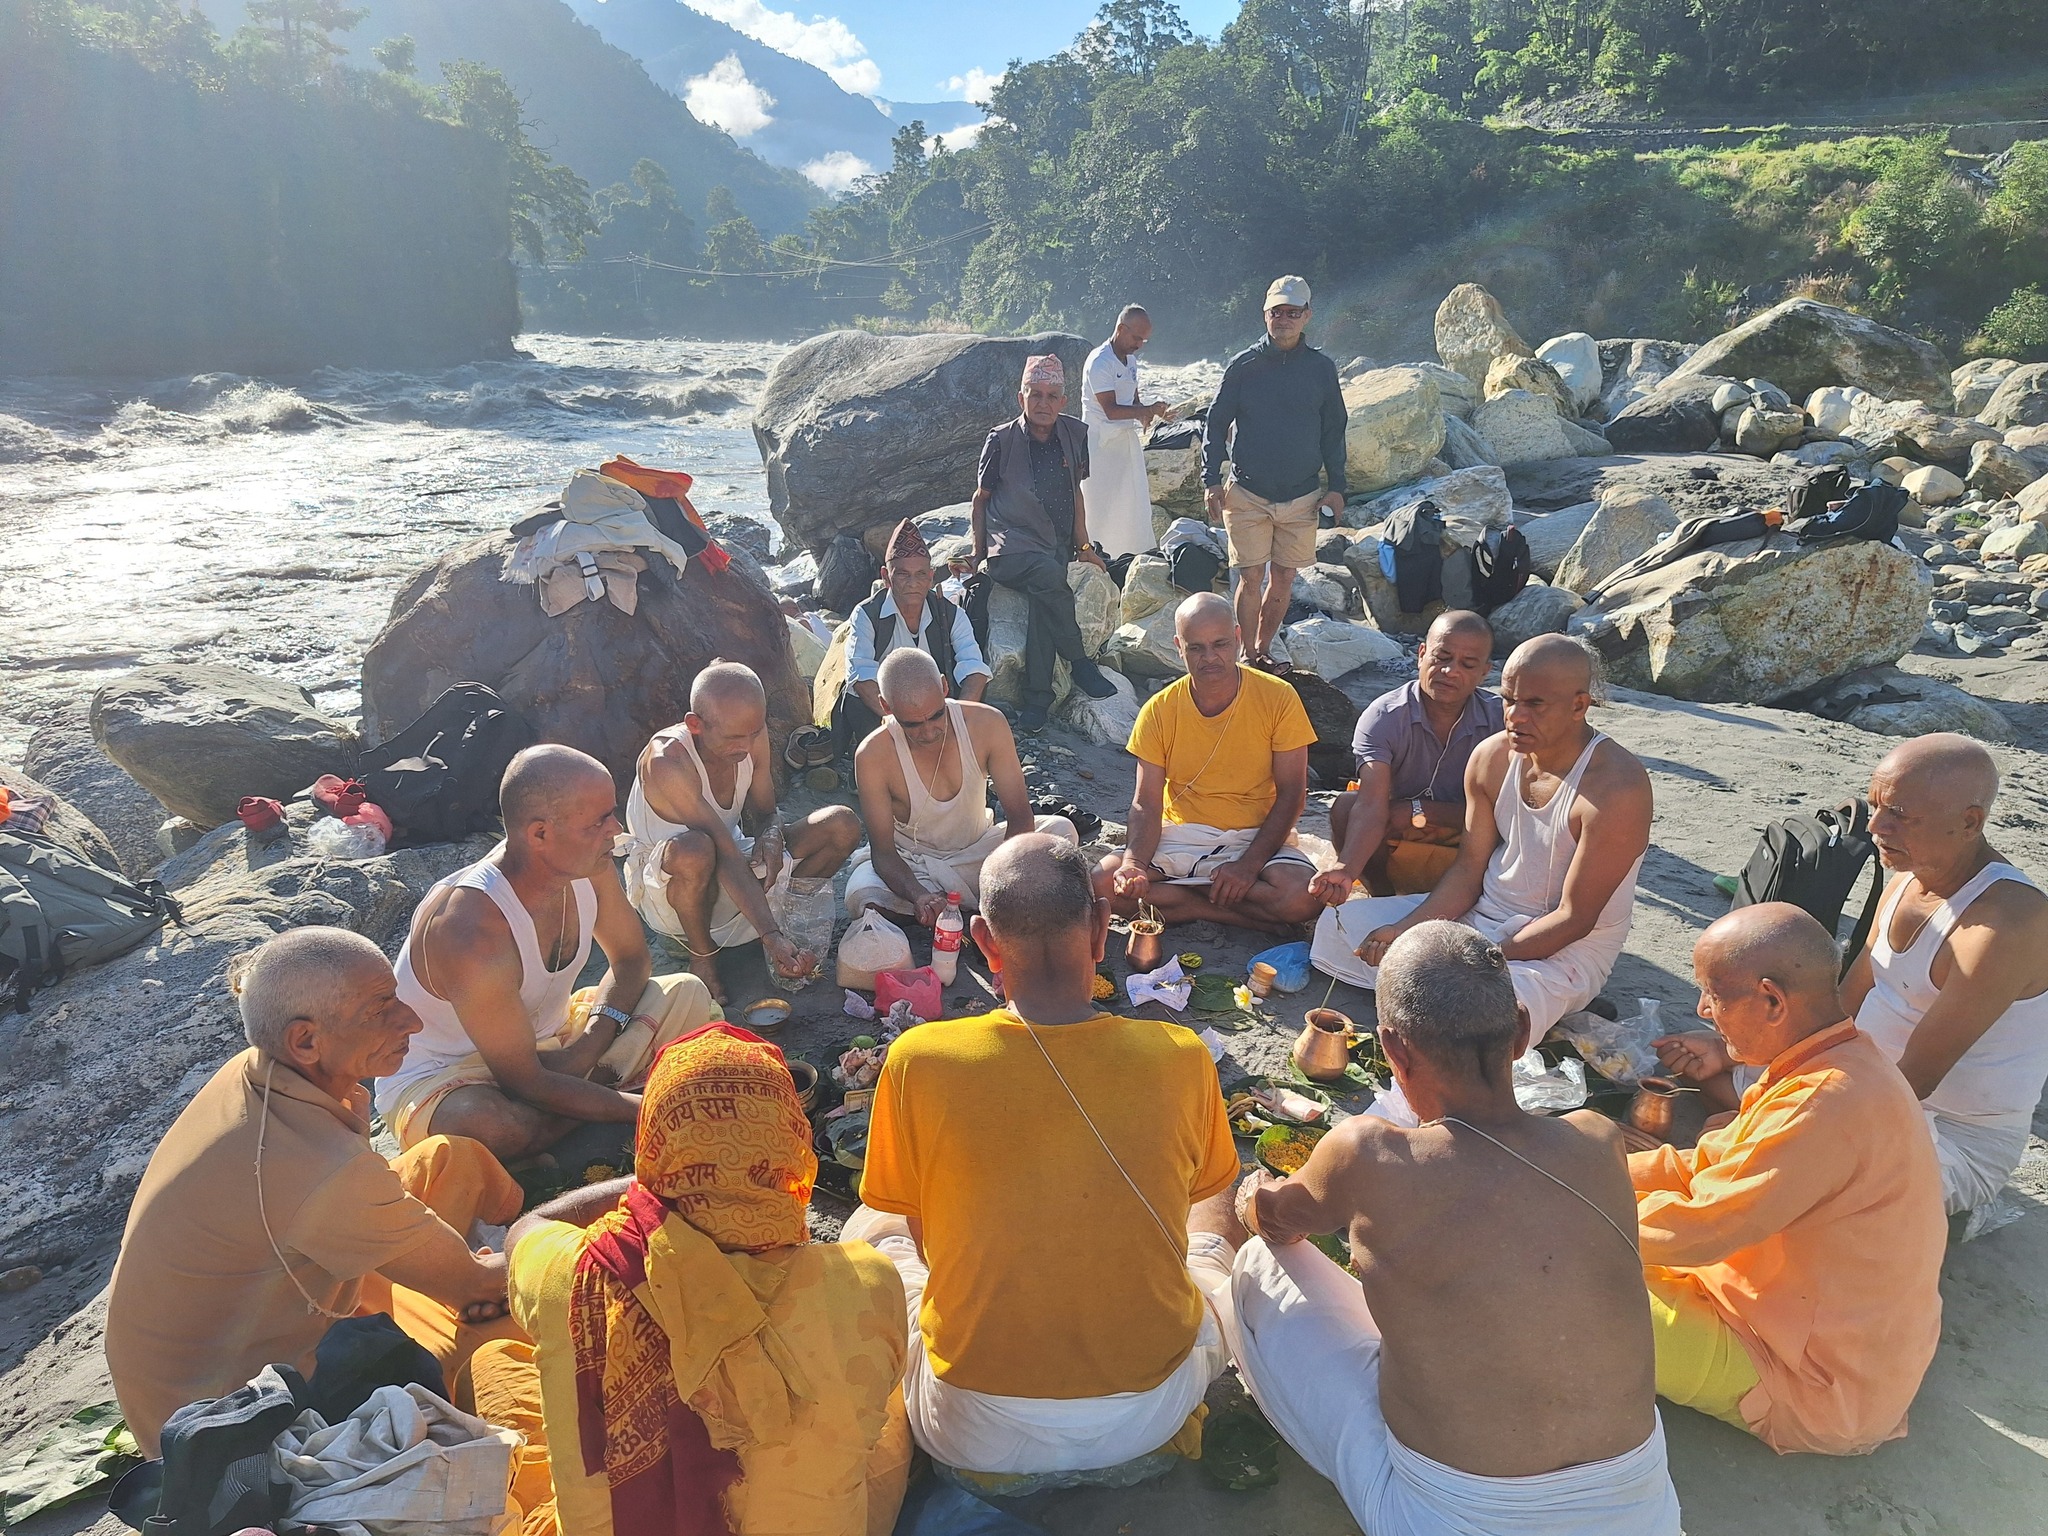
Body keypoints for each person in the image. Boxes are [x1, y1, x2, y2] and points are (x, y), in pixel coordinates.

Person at [1214, 921, 1680, 1534]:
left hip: (1451, 1515)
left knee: (1256, 1273)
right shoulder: (1597, 1138)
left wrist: (1251, 1193)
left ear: (1393, 1048)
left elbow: (1276, 1225)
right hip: (1642, 1512)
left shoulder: (1370, 1152)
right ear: (1520, 1031)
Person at [845, 835, 1241, 1479]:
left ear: (982, 940)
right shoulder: (1180, 1055)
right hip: (1149, 1411)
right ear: (1101, 929)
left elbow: (926, 1249)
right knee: (1217, 1207)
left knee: (873, 1227)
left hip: (972, 1427)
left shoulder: (918, 1060)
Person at [488, 1021, 913, 1536]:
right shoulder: (866, 1281)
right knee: (888, 1407)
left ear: (653, 1147)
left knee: (496, 1359)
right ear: (792, 1147)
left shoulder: (574, 1272)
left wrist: (645, 1186)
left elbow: (524, 1233)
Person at [107, 928, 519, 1457]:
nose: (411, 1022)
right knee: (507, 1337)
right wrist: (583, 1226)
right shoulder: (321, 1171)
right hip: (232, 1428)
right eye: (380, 1010)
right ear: (305, 1041)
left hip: (187, 1370)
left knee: (451, 1159)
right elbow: (477, 1286)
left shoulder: (255, 1070)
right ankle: (460, 1264)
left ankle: (444, 1264)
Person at [1633, 905, 1945, 1455]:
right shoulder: (1834, 1062)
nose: (1702, 1009)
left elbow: (1701, 1229)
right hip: (1817, 1340)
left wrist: (1560, 1206)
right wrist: (1570, 1168)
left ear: (1772, 1000)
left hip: (1811, 1385)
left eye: (1713, 994)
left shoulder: (1822, 1103)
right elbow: (1703, 1166)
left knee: (1552, 1269)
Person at [1313, 635, 1652, 1081]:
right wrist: (1403, 929)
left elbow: (1575, 919)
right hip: (1477, 920)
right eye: (1509, 700)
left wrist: (1477, 963)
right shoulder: (1491, 757)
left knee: (1465, 1014)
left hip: (1563, 950)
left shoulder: (1618, 787)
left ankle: (1554, 1006)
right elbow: (1469, 871)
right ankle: (1517, 1011)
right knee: (1338, 930)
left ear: (1579, 705)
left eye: (1534, 703)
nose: (1515, 716)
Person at [379, 746, 717, 1160]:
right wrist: (653, 1108)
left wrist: (590, 1040)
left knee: (687, 991)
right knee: (487, 1126)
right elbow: (522, 1081)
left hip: (559, 1045)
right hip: (456, 1077)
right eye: (598, 822)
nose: (615, 829)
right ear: (539, 834)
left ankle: (580, 1103)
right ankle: (610, 1093)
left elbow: (631, 961)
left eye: (611, 813)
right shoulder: (471, 930)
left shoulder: (588, 864)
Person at [1845, 733, 2048, 1222]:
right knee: (1715, 1075)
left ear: (1969, 822)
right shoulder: (1906, 881)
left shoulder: (2007, 923)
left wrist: (1787, 1117)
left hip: (1952, 1140)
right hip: (1863, 1090)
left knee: (1796, 1172)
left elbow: (1916, 1078)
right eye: (1875, 806)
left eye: (1898, 814)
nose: (1874, 825)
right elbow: (1843, 1004)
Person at [619, 662, 862, 1002]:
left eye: (754, 731)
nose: (747, 745)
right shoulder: (668, 761)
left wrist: (772, 835)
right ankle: (702, 956)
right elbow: (722, 851)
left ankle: (775, 932)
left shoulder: (750, 735)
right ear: (695, 725)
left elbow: (766, 813)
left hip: (733, 866)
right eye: (735, 737)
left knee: (841, 825)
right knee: (695, 849)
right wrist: (770, 934)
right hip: (676, 892)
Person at [1096, 593, 1322, 935]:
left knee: (1301, 898)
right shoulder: (1159, 710)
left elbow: (1292, 794)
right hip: (1183, 835)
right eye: (1196, 648)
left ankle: (1184, 899)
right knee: (1101, 886)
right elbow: (1146, 802)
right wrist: (1134, 864)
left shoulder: (1279, 697)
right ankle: (1235, 914)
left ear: (1238, 637)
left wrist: (1247, 867)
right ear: (1178, 646)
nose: (1210, 658)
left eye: (1220, 644)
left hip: (1255, 835)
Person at [845, 648, 1077, 922]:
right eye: (912, 724)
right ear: (886, 706)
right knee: (863, 896)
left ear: (944, 686)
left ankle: (967, 903)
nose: (929, 732)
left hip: (981, 853)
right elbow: (883, 854)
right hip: (915, 863)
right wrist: (919, 895)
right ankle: (948, 905)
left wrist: (1001, 882)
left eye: (936, 716)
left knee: (1061, 832)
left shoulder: (987, 723)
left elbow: (1020, 817)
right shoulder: (872, 754)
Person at [1202, 275, 1349, 666]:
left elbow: (1335, 430)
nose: (1283, 319)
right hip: (1248, 491)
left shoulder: (1321, 369)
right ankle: (1246, 654)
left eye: (1292, 312)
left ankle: (1262, 650)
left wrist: (1337, 486)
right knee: (1250, 578)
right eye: (1276, 312)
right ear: (1265, 314)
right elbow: (1215, 424)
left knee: (1283, 578)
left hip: (1302, 494)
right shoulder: (1243, 367)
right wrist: (1211, 481)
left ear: (1306, 316)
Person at [971, 353, 1121, 734]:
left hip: (1053, 549)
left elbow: (1077, 493)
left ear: (1063, 401)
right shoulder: (1000, 440)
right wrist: (977, 553)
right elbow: (980, 499)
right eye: (1034, 394)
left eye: (1051, 395)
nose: (1043, 403)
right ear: (1020, 398)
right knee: (1047, 577)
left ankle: (1037, 703)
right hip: (1009, 548)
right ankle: (1080, 662)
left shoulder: (1074, 433)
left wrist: (1085, 547)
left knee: (1046, 598)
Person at [1312, 610, 1503, 904]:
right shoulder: (1383, 716)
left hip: (1472, 832)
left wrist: (1420, 810)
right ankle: (1384, 898)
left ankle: (1480, 900)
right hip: (1397, 830)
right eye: (1442, 657)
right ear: (1422, 654)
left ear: (1484, 672)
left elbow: (1508, 813)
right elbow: (1371, 805)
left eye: (1467, 664)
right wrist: (1346, 869)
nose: (1450, 671)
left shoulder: (1501, 721)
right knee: (1347, 806)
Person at [838, 518, 992, 754]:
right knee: (857, 700)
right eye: (902, 575)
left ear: (931, 577)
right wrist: (898, 721)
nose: (913, 584)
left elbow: (974, 668)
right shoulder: (867, 614)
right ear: (886, 576)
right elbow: (862, 676)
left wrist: (959, 718)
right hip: (886, 710)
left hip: (933, 709)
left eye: (920, 575)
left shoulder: (952, 615)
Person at [1080, 305, 1174, 560]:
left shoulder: (1130, 361)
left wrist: (1152, 412)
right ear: (1121, 329)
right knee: (1099, 506)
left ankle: (1131, 554)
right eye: (1136, 338)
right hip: (1100, 446)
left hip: (1125, 444)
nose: (1140, 345)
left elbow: (1133, 401)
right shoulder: (1100, 361)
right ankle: (1096, 555)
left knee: (1131, 503)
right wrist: (1144, 410)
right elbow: (1109, 410)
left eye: (1144, 340)